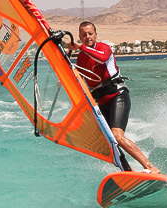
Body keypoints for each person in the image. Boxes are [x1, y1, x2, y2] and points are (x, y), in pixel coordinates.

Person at [67, 21, 161, 174]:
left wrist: (80, 47)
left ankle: (150, 167)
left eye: (90, 33)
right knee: (107, 141)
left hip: (118, 95)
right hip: (101, 102)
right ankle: (128, 171)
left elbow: (102, 59)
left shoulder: (104, 48)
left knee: (117, 135)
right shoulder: (81, 58)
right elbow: (80, 82)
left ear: (96, 34)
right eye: (84, 35)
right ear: (79, 36)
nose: (87, 37)